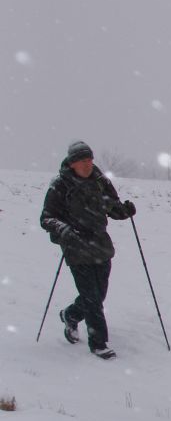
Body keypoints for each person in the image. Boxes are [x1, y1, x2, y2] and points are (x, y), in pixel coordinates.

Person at [40, 140, 136, 360]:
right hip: (76, 247)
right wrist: (62, 228)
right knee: (92, 298)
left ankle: (70, 315)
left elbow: (114, 209)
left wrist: (126, 211)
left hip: (101, 246)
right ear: (73, 163)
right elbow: (46, 219)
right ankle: (99, 343)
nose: (88, 164)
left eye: (90, 160)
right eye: (83, 161)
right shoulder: (60, 186)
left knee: (97, 295)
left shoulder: (101, 182)